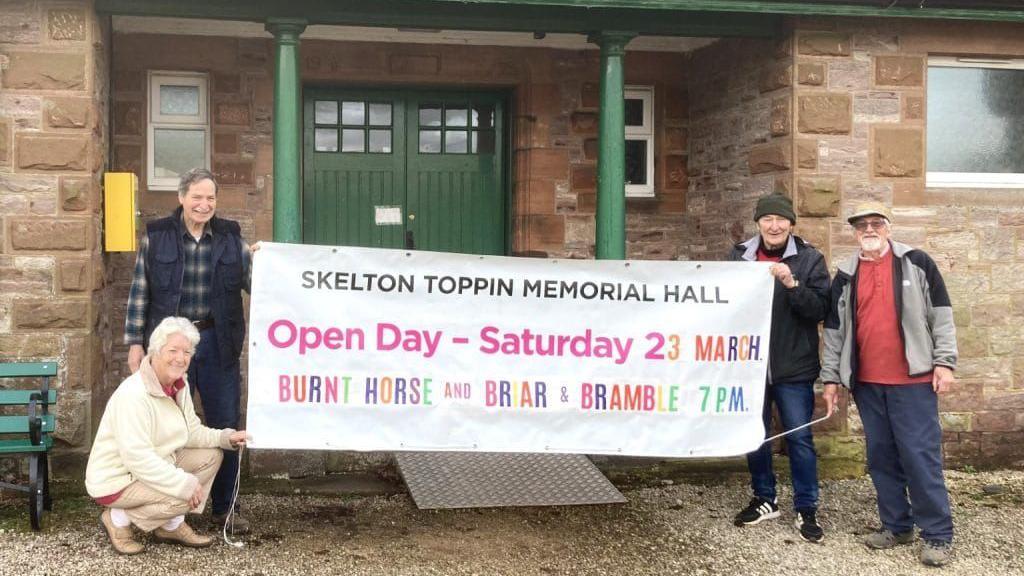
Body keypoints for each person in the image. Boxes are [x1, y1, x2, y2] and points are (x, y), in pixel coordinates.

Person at [821, 201, 957, 567]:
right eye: (861, 225)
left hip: (913, 381)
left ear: (888, 228)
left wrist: (945, 362)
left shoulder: (917, 262)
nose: (869, 230)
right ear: (854, 232)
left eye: (876, 223)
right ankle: (896, 526)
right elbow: (834, 332)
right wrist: (831, 377)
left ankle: (938, 535)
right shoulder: (846, 274)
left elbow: (941, 314)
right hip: (867, 383)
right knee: (881, 458)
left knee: (919, 457)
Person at [124, 167, 253, 534]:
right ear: (181, 198)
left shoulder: (231, 238)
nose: (204, 204)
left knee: (225, 422)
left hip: (218, 343)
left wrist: (269, 261)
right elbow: (140, 293)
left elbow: (258, 282)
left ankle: (226, 508)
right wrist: (136, 343)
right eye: (196, 197)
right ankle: (158, 507)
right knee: (161, 426)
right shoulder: (157, 236)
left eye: (210, 198)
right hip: (170, 349)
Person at [87, 317, 249, 554]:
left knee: (212, 455)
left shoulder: (178, 383)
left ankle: (170, 526)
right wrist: (183, 484)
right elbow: (137, 458)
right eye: (173, 350)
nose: (180, 358)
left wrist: (226, 438)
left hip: (153, 463)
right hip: (117, 478)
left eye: (186, 351)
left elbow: (190, 432)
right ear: (155, 351)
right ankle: (118, 518)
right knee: (186, 495)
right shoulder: (134, 394)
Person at [729, 194, 831, 543]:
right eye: (767, 219)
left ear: (791, 223)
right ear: (758, 223)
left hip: (794, 366)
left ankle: (806, 507)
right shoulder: (739, 256)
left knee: (799, 438)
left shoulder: (809, 259)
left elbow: (819, 310)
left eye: (781, 220)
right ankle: (764, 498)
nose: (774, 226)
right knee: (754, 435)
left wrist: (792, 285)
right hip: (750, 365)